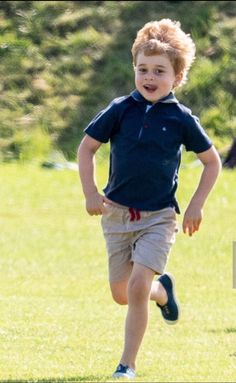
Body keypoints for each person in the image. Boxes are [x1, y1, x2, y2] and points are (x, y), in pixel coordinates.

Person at [78, 19, 221, 379]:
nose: (149, 77)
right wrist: (91, 192)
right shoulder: (120, 108)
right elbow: (87, 148)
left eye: (159, 71)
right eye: (143, 69)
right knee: (123, 293)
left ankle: (127, 365)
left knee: (137, 285)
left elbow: (211, 162)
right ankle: (162, 291)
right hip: (116, 214)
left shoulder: (181, 118)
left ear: (177, 77)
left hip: (159, 217)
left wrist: (196, 204)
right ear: (134, 70)